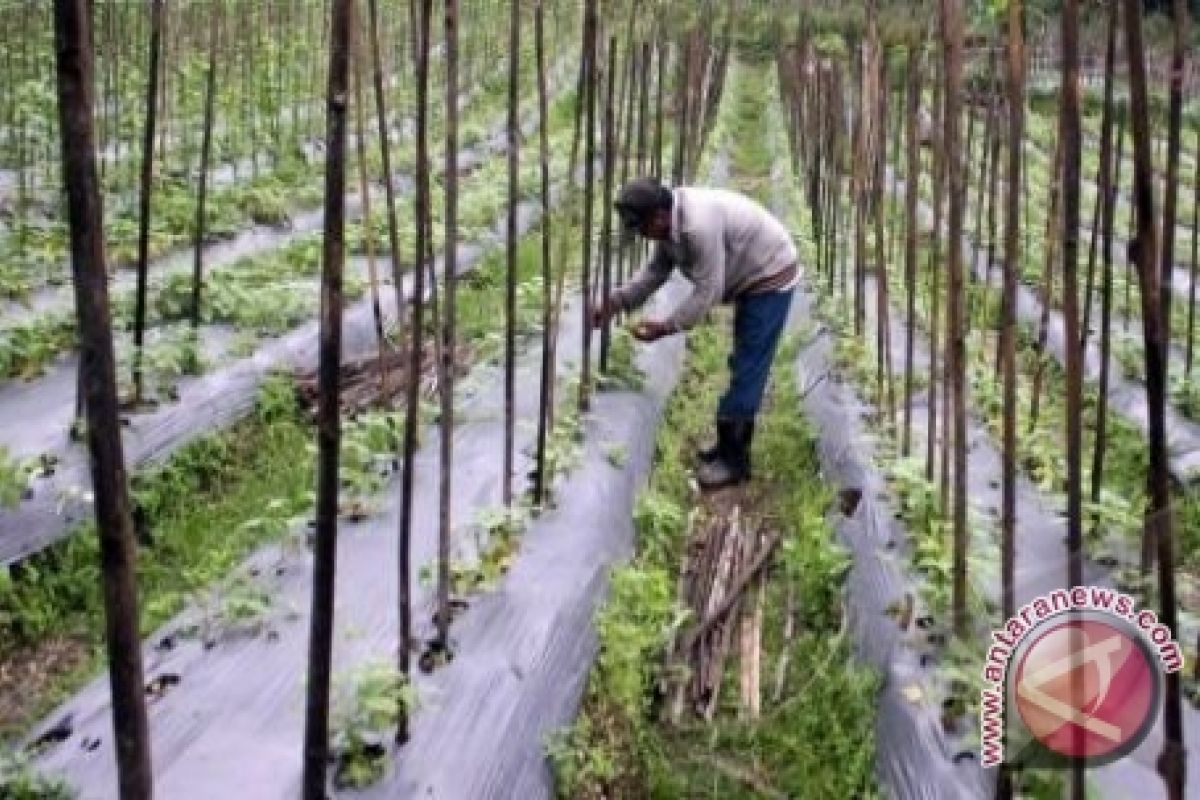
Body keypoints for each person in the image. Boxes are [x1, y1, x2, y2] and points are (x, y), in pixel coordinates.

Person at [592, 177, 799, 491]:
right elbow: (655, 273)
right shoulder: (668, 224)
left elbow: (708, 291)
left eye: (642, 228)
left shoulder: (697, 227)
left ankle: (735, 463)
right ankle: (725, 448)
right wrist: (615, 302)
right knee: (742, 361)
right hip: (749, 272)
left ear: (659, 217)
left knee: (748, 367)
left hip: (770, 275)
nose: (643, 236)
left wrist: (667, 326)